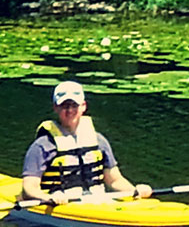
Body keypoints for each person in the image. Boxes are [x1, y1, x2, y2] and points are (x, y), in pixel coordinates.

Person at [21, 80, 152, 205]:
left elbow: (114, 180)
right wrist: (49, 197)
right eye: (64, 106)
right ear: (56, 108)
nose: (70, 111)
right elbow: (29, 187)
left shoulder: (99, 141)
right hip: (61, 205)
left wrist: (135, 191)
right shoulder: (43, 145)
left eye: (74, 105)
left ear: (83, 106)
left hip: (97, 201)